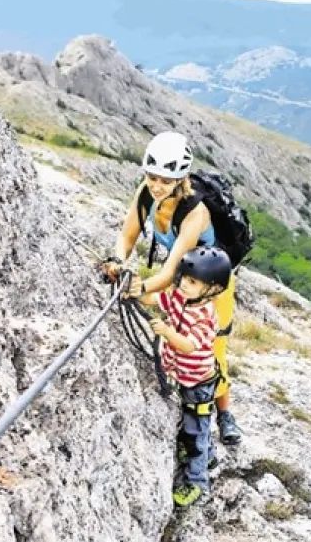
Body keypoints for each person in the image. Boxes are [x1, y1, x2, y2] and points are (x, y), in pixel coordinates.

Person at [101, 131, 242, 445]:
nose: (156, 185)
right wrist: (117, 261)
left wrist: (139, 287)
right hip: (183, 279)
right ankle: (186, 388)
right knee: (174, 334)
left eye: (165, 180)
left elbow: (169, 269)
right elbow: (127, 237)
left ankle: (224, 413)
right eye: (152, 177)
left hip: (211, 288)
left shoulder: (196, 212)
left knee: (210, 348)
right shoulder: (146, 194)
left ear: (181, 179)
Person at [136, 245, 232, 506]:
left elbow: (189, 345)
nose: (183, 285)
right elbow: (157, 300)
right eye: (183, 278)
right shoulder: (180, 297)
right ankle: (209, 456)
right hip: (184, 375)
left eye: (192, 282)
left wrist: (166, 332)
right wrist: (135, 291)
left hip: (199, 382)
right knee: (195, 425)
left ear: (213, 290)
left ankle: (198, 482)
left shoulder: (205, 315)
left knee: (195, 431)